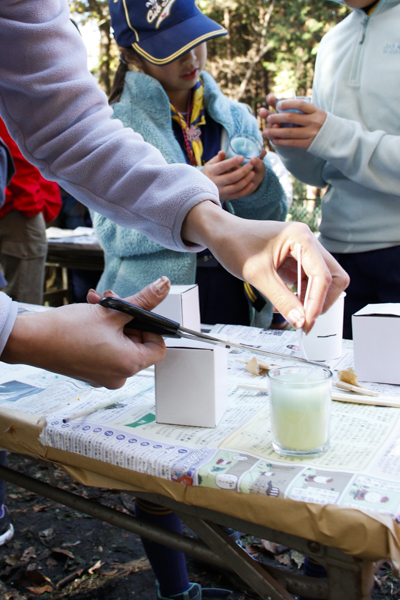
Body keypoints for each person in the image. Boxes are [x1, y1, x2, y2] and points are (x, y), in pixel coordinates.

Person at [92, 0, 287, 328]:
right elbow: (112, 233)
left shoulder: (238, 117)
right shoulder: (116, 124)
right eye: (171, 49)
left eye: (197, 41)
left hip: (237, 297)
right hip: (153, 302)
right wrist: (195, 189)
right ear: (130, 54)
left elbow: (271, 220)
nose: (191, 58)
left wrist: (255, 190)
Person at [261, 0, 397, 339]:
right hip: (336, 257)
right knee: (339, 385)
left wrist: (332, 135)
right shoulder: (332, 41)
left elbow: (339, 141)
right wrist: (291, 140)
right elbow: (320, 173)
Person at [0, 118, 62, 305]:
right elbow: (16, 153)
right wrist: (31, 204)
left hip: (20, 205)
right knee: (23, 304)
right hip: (19, 209)